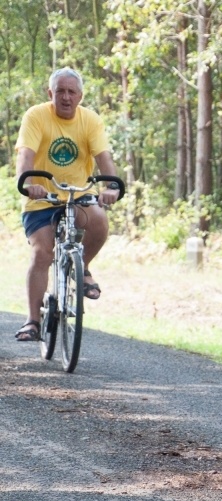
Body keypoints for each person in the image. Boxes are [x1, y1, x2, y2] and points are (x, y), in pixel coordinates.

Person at [14, 67, 120, 341]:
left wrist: (111, 186)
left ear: (80, 96)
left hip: (76, 194)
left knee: (99, 222)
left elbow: (104, 158)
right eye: (60, 91)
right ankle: (32, 321)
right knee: (42, 253)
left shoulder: (90, 120)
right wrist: (28, 183)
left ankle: (81, 268)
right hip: (43, 198)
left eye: (71, 92)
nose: (65, 97)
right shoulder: (37, 116)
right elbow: (25, 156)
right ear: (50, 93)